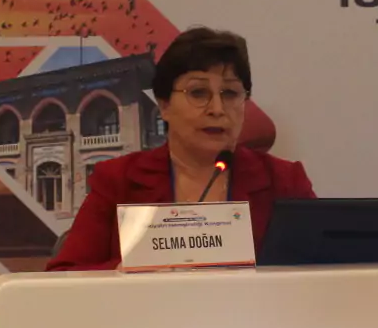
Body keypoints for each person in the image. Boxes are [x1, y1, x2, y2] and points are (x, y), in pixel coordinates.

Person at [47, 28, 316, 270]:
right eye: (198, 93)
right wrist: (124, 274)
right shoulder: (118, 180)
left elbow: (323, 270)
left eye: (230, 93)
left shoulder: (284, 181)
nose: (217, 109)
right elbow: (61, 279)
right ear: (164, 105)